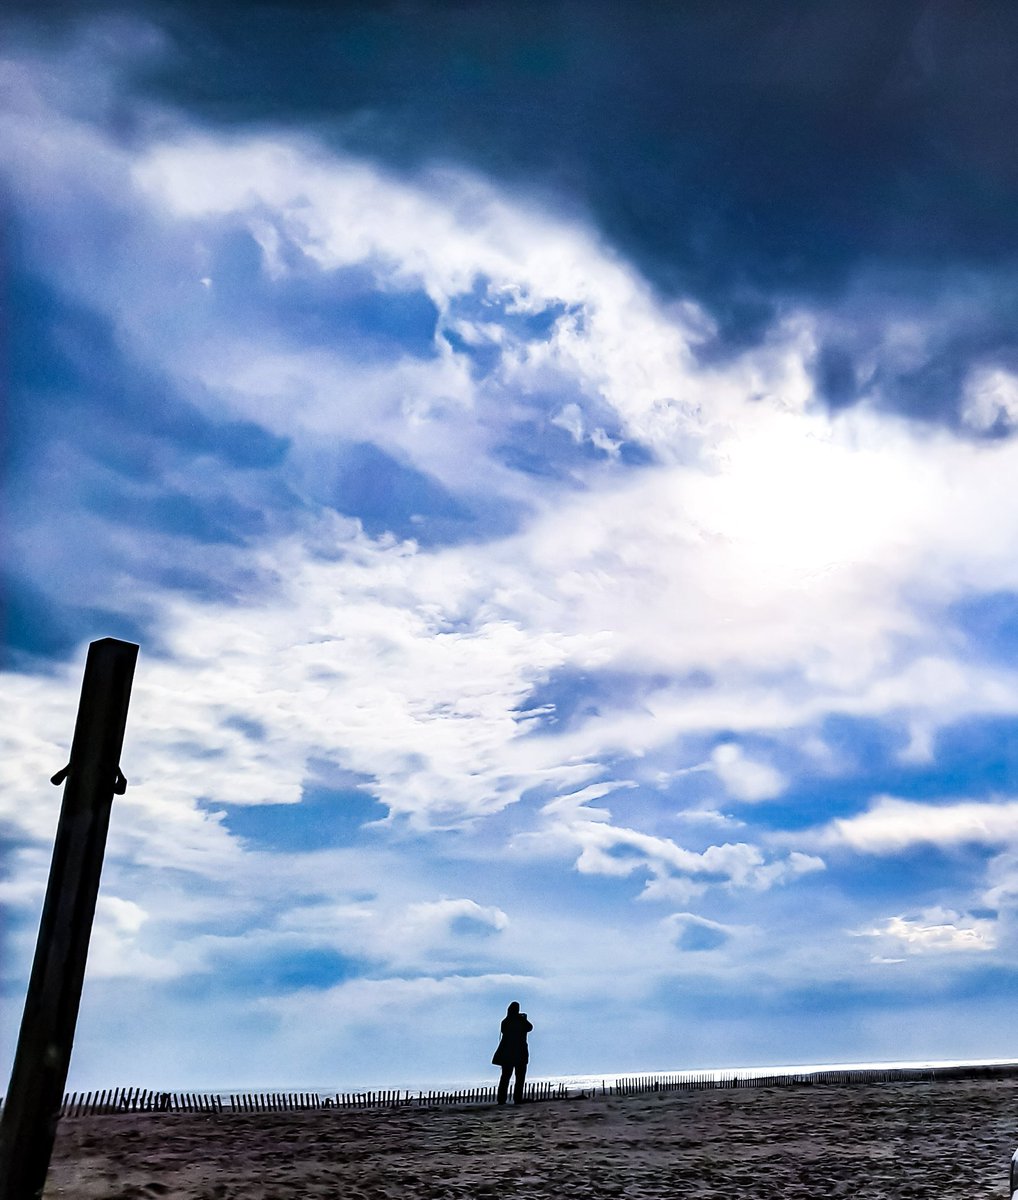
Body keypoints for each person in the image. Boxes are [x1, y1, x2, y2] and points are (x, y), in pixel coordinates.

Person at [492, 1001, 533, 1105]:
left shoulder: (505, 1021)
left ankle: (502, 1099)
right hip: (519, 1052)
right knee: (519, 1077)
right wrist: (523, 1018)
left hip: (508, 1053)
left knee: (505, 1077)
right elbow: (529, 1027)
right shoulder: (519, 1021)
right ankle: (517, 1099)